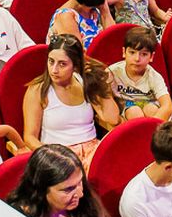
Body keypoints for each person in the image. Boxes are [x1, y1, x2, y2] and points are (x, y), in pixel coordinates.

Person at [21, 35, 116, 164]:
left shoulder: (85, 81)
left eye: (62, 64)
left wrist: (99, 83)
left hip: (92, 150)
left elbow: (113, 118)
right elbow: (29, 137)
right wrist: (53, 156)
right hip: (58, 155)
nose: (54, 70)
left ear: (75, 65)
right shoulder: (38, 90)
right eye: (51, 61)